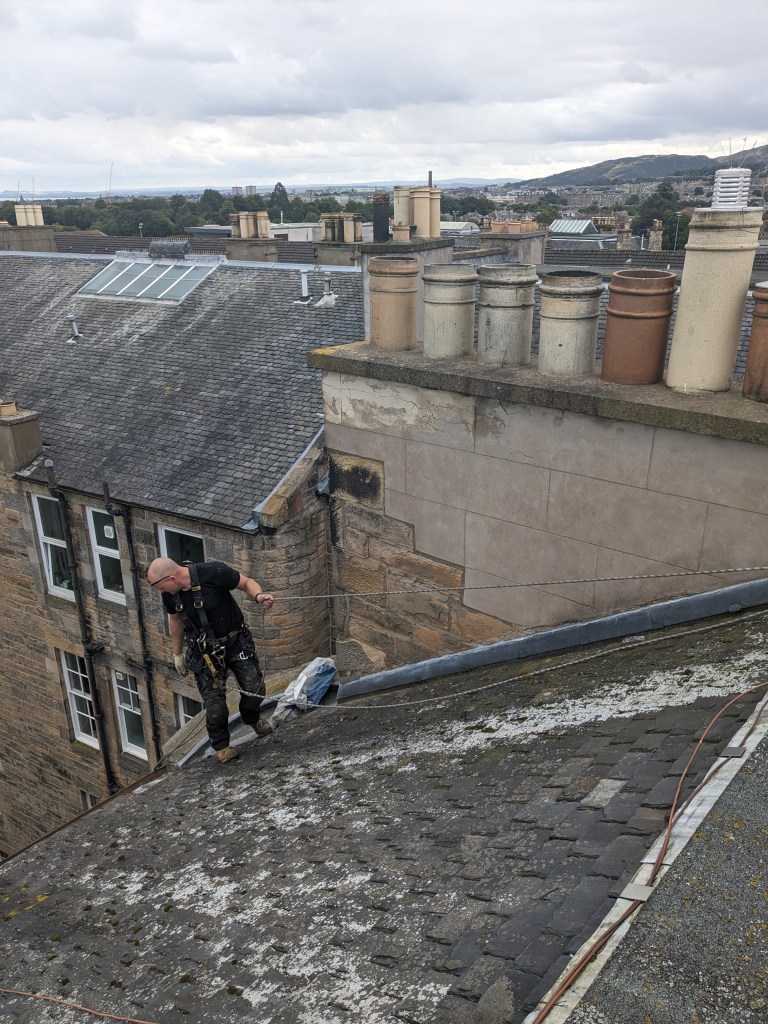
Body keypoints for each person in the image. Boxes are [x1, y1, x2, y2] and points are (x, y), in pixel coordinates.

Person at [147, 557, 274, 764]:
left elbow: (246, 583)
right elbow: (175, 620)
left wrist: (258, 595)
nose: (162, 592)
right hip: (204, 651)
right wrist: (177, 653)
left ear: (171, 577)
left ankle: (252, 718)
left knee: (255, 688)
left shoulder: (213, 572)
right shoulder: (170, 594)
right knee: (215, 705)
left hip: (235, 640)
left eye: (161, 587)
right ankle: (222, 746)